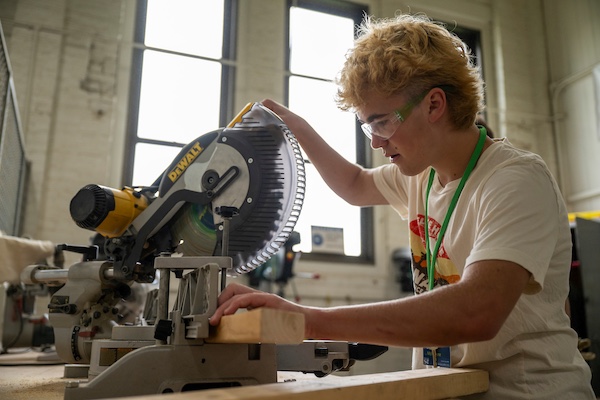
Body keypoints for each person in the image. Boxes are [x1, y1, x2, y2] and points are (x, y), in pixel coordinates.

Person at [210, 13, 595, 399]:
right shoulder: (419, 177)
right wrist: (297, 129)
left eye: (382, 123)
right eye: (368, 127)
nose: (376, 142)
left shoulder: (515, 179)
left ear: (434, 104)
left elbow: (476, 311)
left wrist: (307, 320)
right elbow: (355, 184)